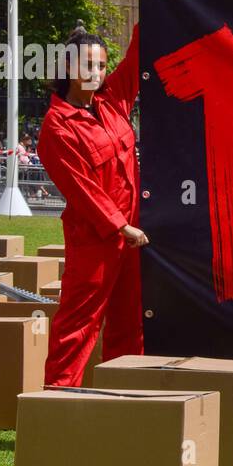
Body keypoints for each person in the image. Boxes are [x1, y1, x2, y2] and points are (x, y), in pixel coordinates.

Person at [38, 22, 148, 387]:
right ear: (68, 68)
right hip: (96, 240)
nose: (97, 73)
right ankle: (56, 399)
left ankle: (124, 396)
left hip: (131, 235)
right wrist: (121, 226)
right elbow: (81, 189)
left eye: (101, 65)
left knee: (130, 320)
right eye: (89, 65)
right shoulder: (57, 127)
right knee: (79, 323)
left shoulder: (112, 101)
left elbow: (136, 58)